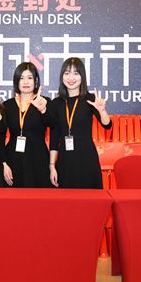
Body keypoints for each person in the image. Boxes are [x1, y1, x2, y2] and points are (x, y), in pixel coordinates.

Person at [48, 57, 112, 189]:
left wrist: (102, 111)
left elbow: (107, 125)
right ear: (62, 76)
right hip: (65, 160)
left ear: (82, 76)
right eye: (67, 73)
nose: (71, 78)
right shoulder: (56, 103)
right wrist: (52, 166)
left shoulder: (90, 99)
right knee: (66, 199)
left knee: (90, 198)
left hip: (86, 158)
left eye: (76, 73)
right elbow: (54, 138)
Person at [2, 62, 51, 187]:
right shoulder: (7, 105)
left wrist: (43, 110)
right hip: (13, 159)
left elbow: (53, 125)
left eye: (29, 78)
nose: (25, 82)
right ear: (16, 81)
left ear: (35, 81)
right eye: (21, 78)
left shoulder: (44, 101)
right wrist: (3, 163)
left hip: (38, 158)